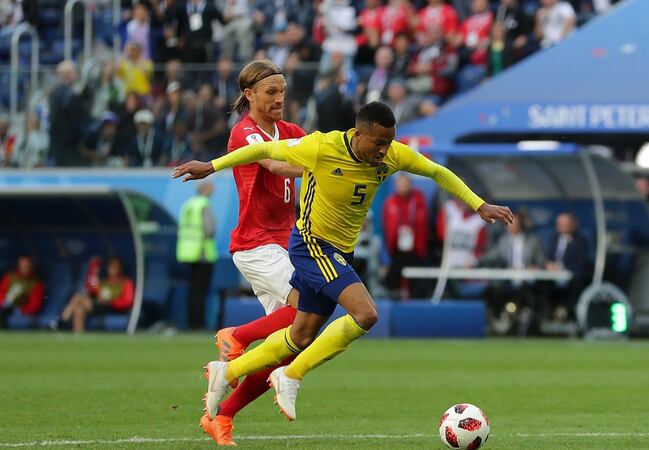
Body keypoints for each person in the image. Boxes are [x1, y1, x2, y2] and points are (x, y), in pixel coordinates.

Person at [173, 101, 511, 423]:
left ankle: (227, 371)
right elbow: (261, 150)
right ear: (358, 134)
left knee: (301, 335)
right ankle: (291, 375)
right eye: (378, 143)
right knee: (366, 314)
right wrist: (211, 166)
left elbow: (437, 172)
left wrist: (479, 205)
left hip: (339, 251)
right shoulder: (322, 146)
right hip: (311, 245)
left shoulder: (392, 155)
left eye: (388, 143)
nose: (384, 151)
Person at [197, 59, 306, 446]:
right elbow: (276, 165)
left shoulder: (291, 131)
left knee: (293, 345)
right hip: (256, 243)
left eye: (282, 92)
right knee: (307, 306)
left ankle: (221, 417)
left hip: (284, 243)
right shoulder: (243, 132)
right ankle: (235, 335)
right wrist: (320, 165)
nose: (279, 99)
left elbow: (314, 154)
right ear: (250, 94)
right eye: (271, 92)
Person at [479, 211, 545, 322]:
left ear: (521, 224)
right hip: (507, 281)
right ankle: (496, 319)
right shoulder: (503, 241)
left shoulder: (533, 241)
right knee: (491, 290)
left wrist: (535, 267)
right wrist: (474, 262)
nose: (511, 225)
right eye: (509, 222)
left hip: (526, 281)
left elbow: (541, 262)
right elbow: (491, 256)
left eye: (514, 222)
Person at [177, 182, 218, 330]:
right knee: (201, 290)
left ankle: (192, 322)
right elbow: (210, 230)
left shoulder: (188, 205)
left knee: (193, 289)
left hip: (187, 252)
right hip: (202, 253)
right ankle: (199, 324)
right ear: (205, 189)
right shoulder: (204, 204)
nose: (214, 189)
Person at [383, 173, 429, 298]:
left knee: (417, 285)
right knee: (392, 282)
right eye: (401, 184)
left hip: (415, 249)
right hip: (396, 250)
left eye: (406, 184)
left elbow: (423, 225)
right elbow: (386, 228)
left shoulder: (418, 200)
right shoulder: (390, 202)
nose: (403, 187)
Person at [60, 257, 134, 333]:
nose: (112, 269)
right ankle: (79, 337)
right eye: (110, 266)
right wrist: (94, 270)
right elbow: (93, 288)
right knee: (79, 309)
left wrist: (111, 301)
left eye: (115, 267)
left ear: (120, 268)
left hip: (112, 307)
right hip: (98, 305)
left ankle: (63, 320)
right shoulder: (105, 282)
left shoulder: (126, 282)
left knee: (77, 297)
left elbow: (127, 301)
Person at [544, 213, 590, 319]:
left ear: (573, 225)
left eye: (565, 224)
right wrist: (548, 265)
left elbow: (581, 262)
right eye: (560, 224)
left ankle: (570, 315)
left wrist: (561, 268)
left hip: (572, 278)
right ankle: (548, 315)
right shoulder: (553, 240)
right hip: (553, 277)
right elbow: (547, 258)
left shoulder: (581, 241)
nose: (562, 226)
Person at [0, 255, 44, 329]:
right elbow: (1, 293)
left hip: (20, 313)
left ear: (32, 266)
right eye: (22, 265)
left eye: (27, 265)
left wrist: (20, 309)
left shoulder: (36, 284)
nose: (25, 268)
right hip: (4, 308)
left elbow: (34, 306)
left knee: (25, 321)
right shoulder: (9, 277)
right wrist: (4, 302)